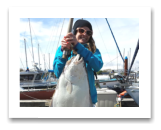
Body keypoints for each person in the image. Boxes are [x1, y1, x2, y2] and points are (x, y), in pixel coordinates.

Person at [53, 19, 103, 105]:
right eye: (81, 30)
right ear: (75, 32)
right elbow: (57, 73)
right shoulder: (63, 49)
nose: (85, 34)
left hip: (86, 100)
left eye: (88, 33)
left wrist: (78, 46)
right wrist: (62, 51)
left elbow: (97, 66)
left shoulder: (94, 50)